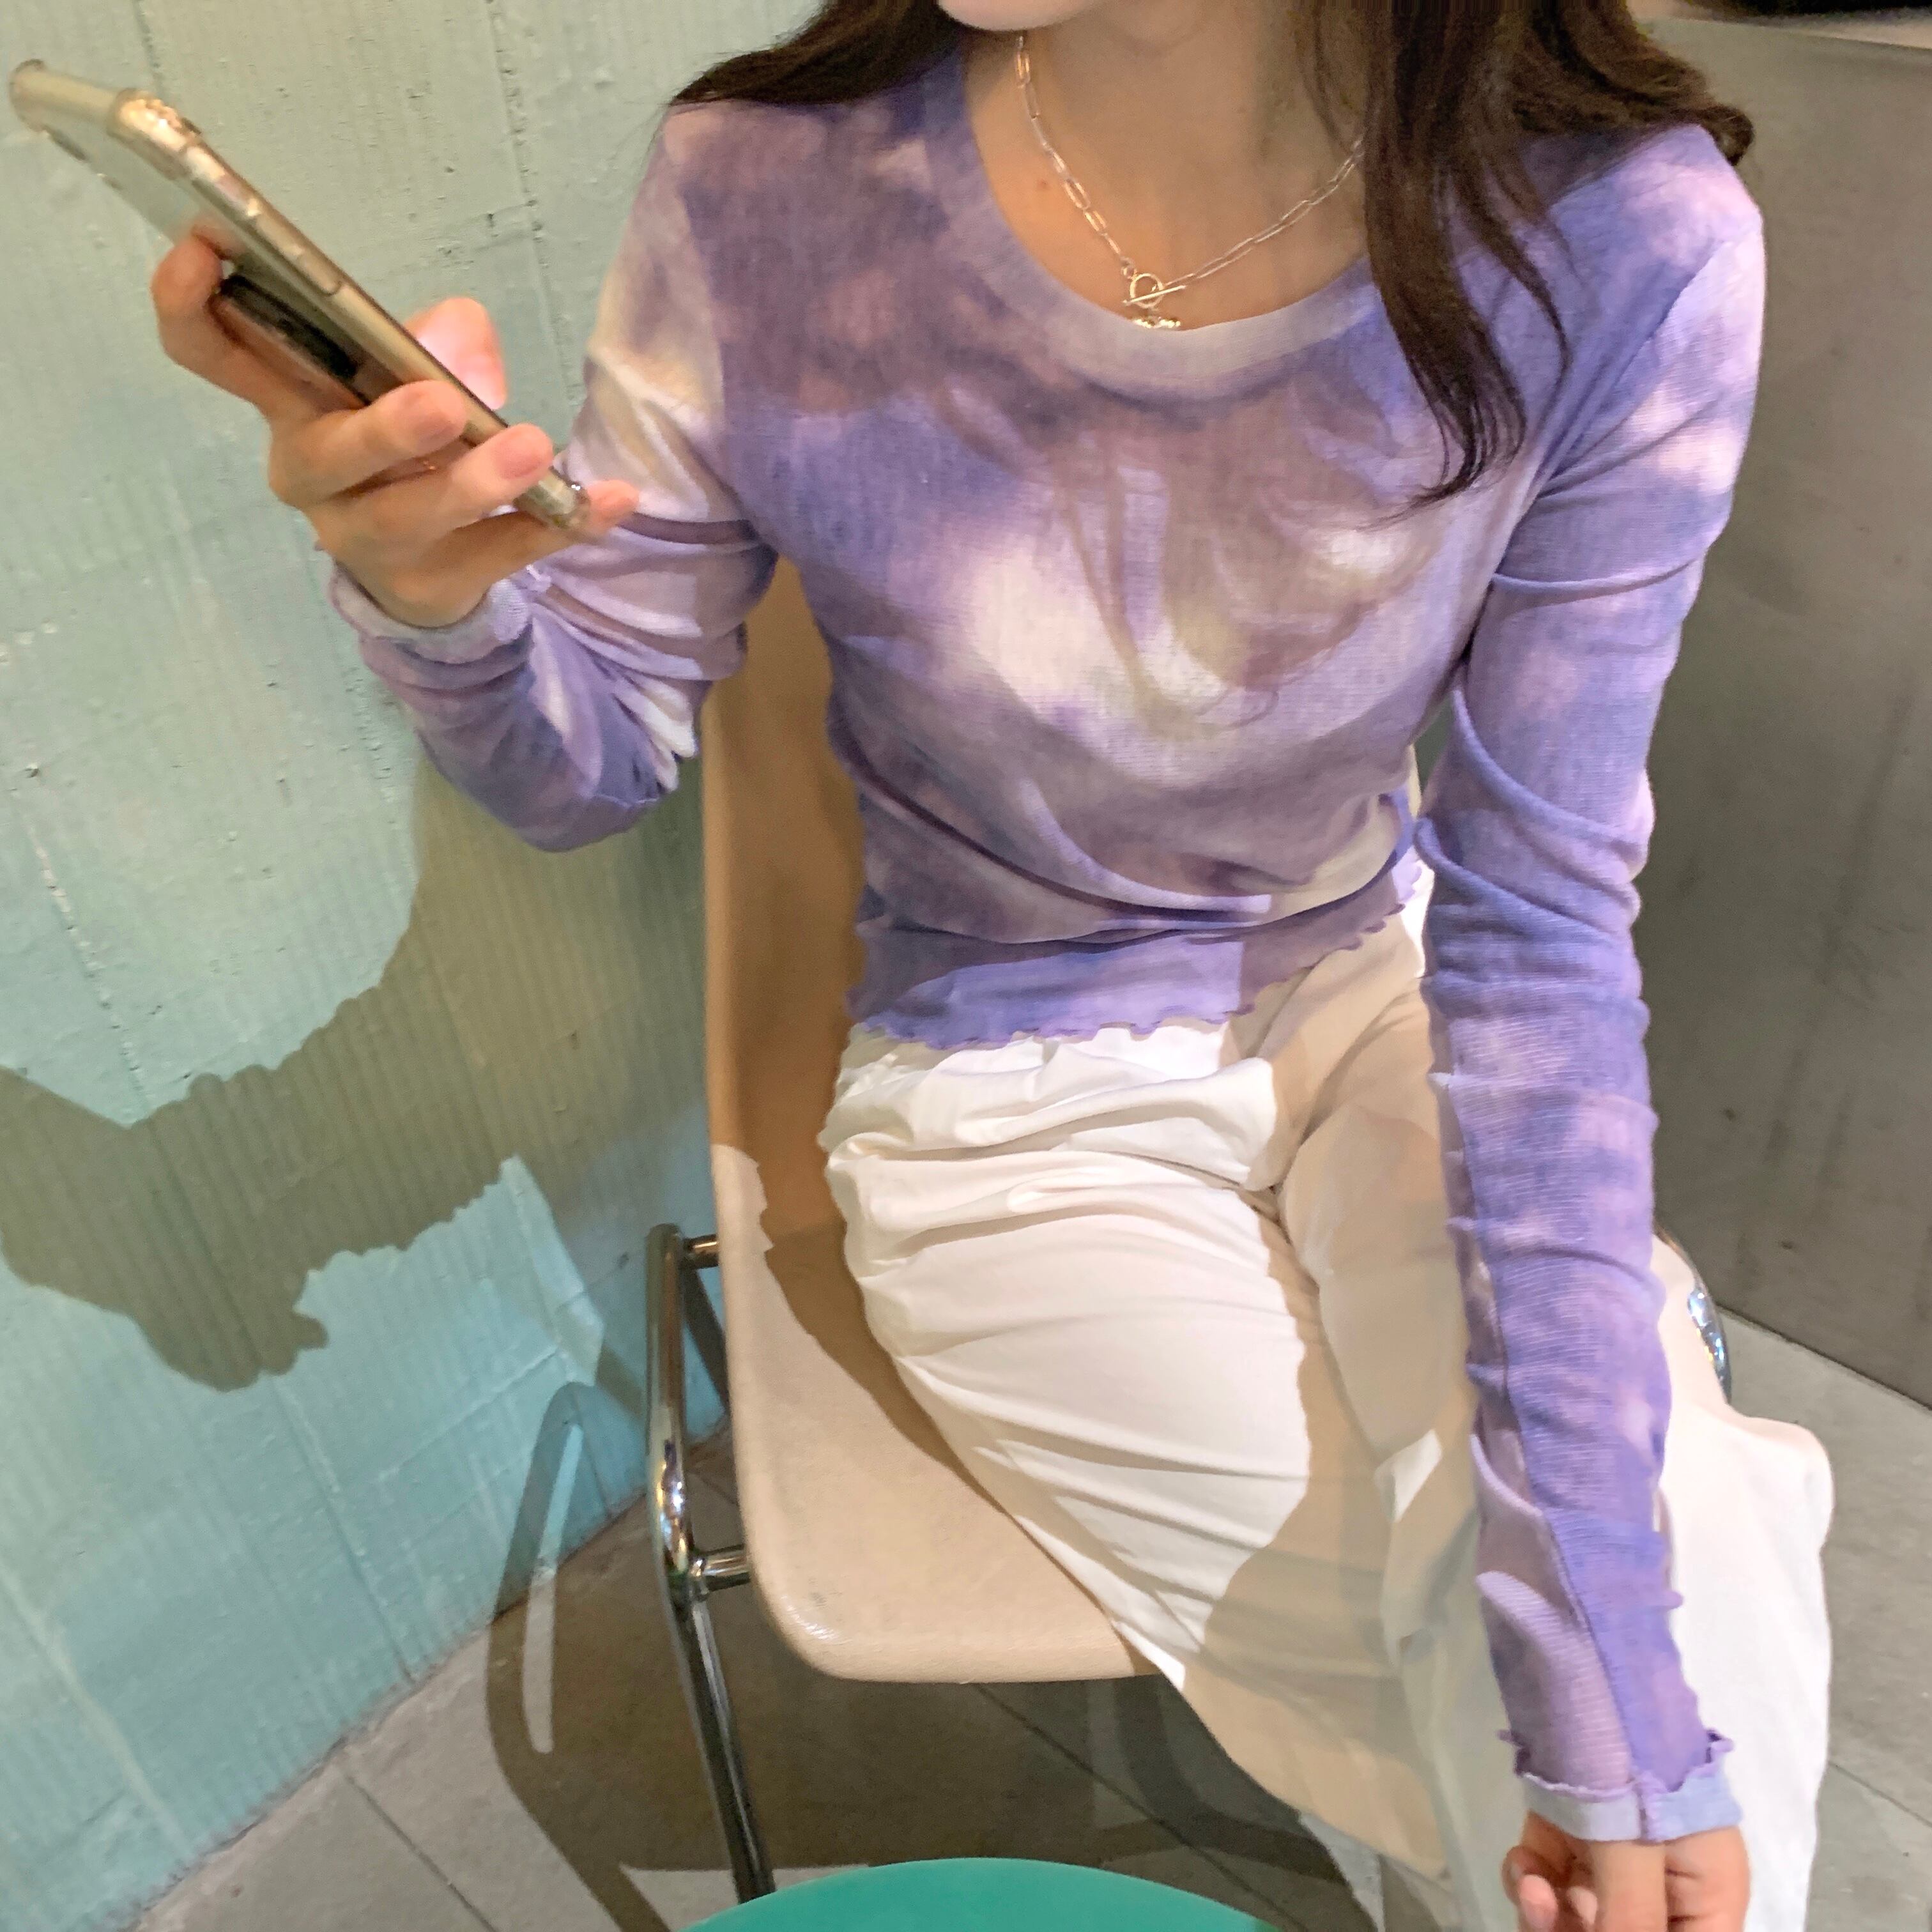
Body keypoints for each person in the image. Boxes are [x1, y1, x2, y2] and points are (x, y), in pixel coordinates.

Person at [148, 1, 1834, 1925]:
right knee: (1635, 1636)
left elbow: (1536, 933)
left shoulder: (1616, 235)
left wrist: (1607, 1662)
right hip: (1005, 1095)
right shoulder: (772, 186)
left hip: (1388, 988)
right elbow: (581, 763)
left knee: (1643, 1619)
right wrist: (438, 603)